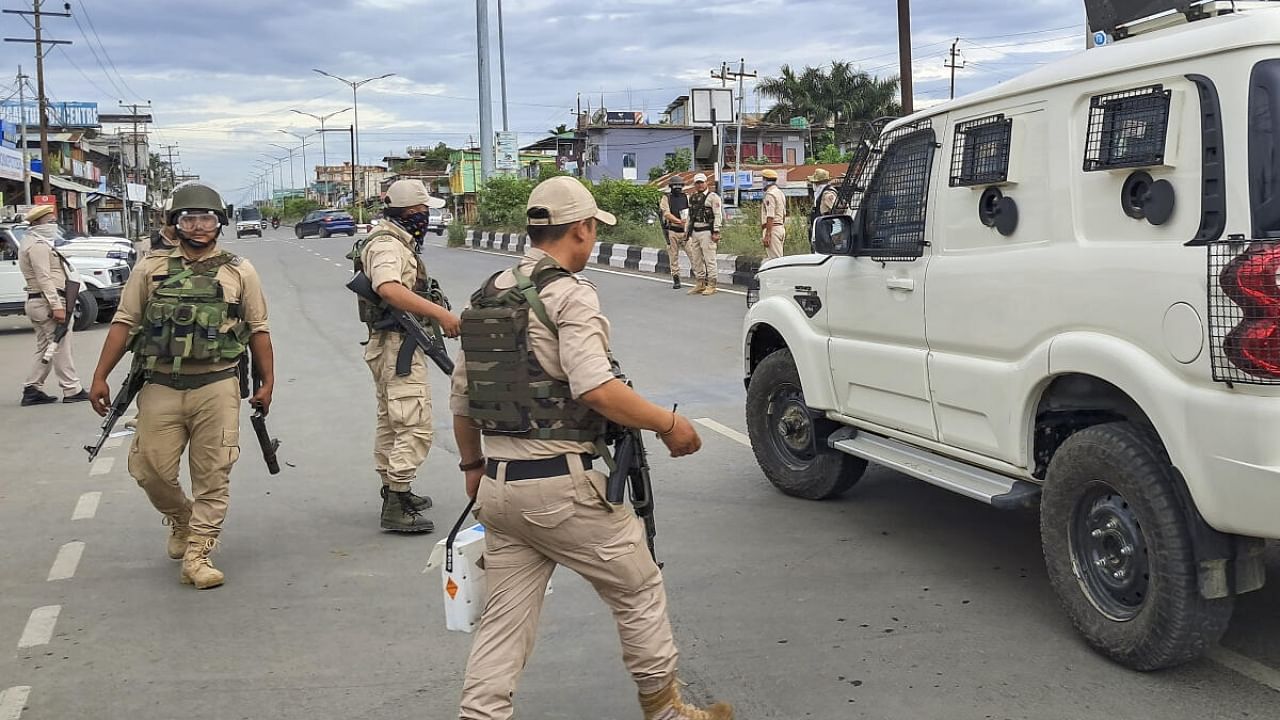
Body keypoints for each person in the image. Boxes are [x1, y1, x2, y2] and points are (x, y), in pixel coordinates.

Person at [451, 175, 733, 720]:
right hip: (562, 487)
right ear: (579, 229)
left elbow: (461, 398)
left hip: (499, 487)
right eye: (591, 230)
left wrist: (472, 467)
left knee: (504, 620)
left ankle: (479, 715)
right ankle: (667, 711)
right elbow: (595, 388)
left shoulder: (487, 294)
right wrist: (669, 424)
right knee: (639, 588)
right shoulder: (568, 294)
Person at [88, 183, 274, 590]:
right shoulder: (149, 268)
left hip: (218, 384)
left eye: (206, 218)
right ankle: (181, 519)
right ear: (175, 223)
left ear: (219, 222)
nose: (199, 225)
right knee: (149, 469)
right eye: (189, 218)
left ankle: (198, 555)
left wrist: (267, 382)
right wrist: (100, 374)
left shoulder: (239, 269)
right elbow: (124, 322)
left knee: (214, 473)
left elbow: (258, 328)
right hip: (160, 385)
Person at [353, 179, 461, 533]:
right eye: (424, 211)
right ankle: (397, 499)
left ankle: (395, 490)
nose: (427, 217)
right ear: (412, 212)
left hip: (391, 343)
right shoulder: (388, 246)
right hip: (398, 344)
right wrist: (441, 314)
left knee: (392, 420)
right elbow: (388, 288)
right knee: (414, 424)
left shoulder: (393, 240)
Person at [18, 204, 90, 406]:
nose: (53, 225)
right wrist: (56, 305)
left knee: (47, 348)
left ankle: (32, 388)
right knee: (61, 346)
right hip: (46, 302)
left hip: (38, 302)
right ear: (36, 224)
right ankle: (71, 388)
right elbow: (44, 278)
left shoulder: (34, 242)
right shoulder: (38, 246)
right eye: (50, 222)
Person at [684, 173, 723, 296]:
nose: (700, 185)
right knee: (696, 259)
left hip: (707, 231)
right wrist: (686, 231)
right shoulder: (693, 197)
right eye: (697, 183)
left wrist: (716, 231)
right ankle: (700, 283)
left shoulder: (713, 197)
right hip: (695, 231)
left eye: (701, 182)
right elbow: (690, 216)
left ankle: (712, 284)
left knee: (709, 259)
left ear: (706, 183)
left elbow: (718, 215)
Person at [658, 175, 690, 290]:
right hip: (672, 230)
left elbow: (690, 211)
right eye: (675, 186)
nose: (677, 188)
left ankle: (700, 279)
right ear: (671, 186)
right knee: (673, 257)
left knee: (694, 255)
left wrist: (686, 224)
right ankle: (676, 278)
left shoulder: (686, 197)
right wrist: (678, 221)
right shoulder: (666, 198)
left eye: (679, 186)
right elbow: (666, 214)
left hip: (685, 231)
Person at [760, 169, 787, 260]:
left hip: (773, 229)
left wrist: (768, 234)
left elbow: (770, 216)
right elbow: (783, 215)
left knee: (775, 260)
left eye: (763, 179)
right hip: (780, 228)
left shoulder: (770, 195)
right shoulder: (780, 193)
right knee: (778, 257)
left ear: (766, 180)